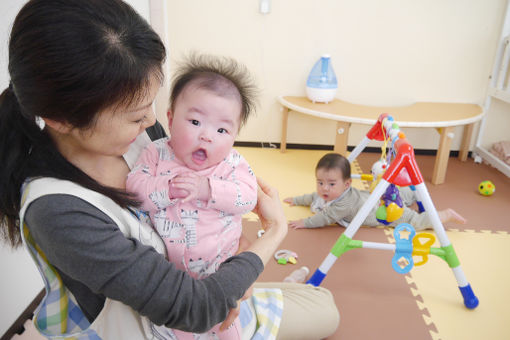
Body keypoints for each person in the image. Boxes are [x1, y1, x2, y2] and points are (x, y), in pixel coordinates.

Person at [0, 1, 339, 339]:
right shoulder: (58, 211)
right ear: (64, 119)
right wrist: (275, 232)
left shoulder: (141, 139)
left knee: (319, 297)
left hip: (209, 282)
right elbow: (197, 309)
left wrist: (236, 267)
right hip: (169, 323)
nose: (151, 121)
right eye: (135, 114)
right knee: (325, 312)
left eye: (151, 104)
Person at [126, 55, 258, 339]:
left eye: (222, 129)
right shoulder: (157, 153)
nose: (207, 136)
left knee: (226, 328)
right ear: (171, 119)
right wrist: (168, 189)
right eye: (196, 121)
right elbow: (134, 189)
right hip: (172, 280)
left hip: (221, 273)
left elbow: (247, 197)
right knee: (179, 329)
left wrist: (208, 189)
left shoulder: (232, 164)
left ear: (234, 136)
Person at [284, 153, 466, 230]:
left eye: (331, 184)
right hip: (374, 197)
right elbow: (314, 197)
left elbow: (325, 217)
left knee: (414, 221)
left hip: (382, 212)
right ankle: (412, 192)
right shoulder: (329, 193)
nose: (324, 188)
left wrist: (305, 222)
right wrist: (298, 200)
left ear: (347, 184)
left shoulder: (342, 203)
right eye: (320, 182)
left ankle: (445, 215)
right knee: (398, 194)